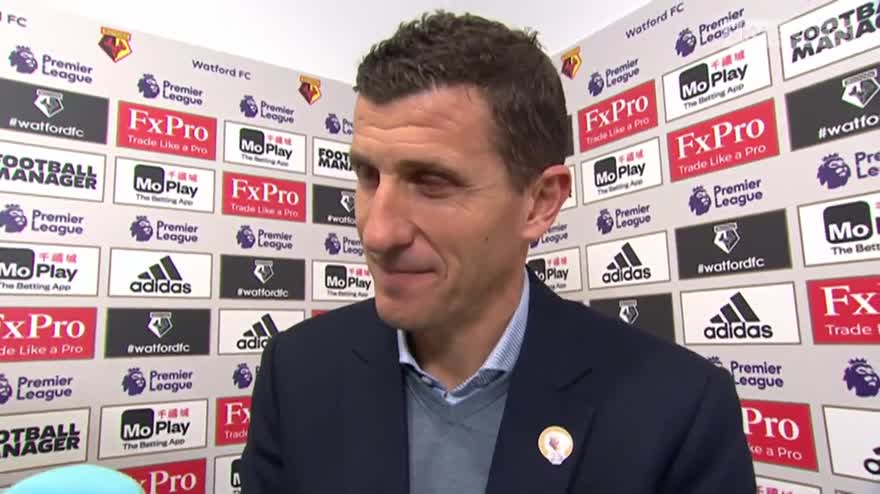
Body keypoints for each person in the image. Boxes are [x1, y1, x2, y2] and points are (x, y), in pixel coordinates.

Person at [240, 11, 756, 494]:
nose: (377, 233)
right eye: (368, 176)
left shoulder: (678, 409)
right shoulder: (296, 371)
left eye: (432, 182)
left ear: (540, 202)